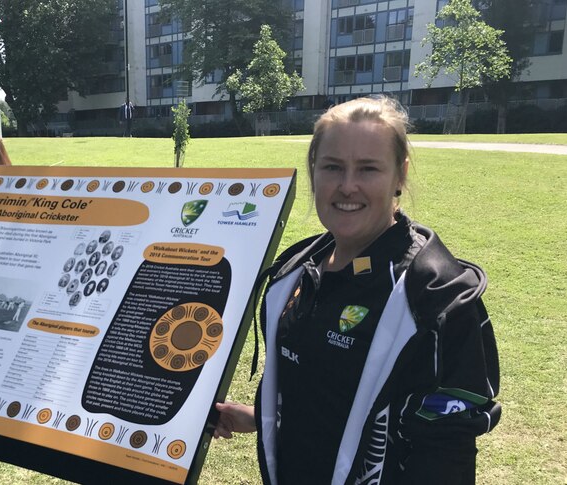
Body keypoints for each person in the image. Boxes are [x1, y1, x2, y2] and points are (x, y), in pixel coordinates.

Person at [213, 97, 501, 484]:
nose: (347, 186)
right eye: (333, 167)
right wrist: (261, 417)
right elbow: (323, 390)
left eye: (368, 168)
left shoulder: (436, 295)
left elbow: (447, 456)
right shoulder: (296, 271)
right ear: (313, 171)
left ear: (400, 175)